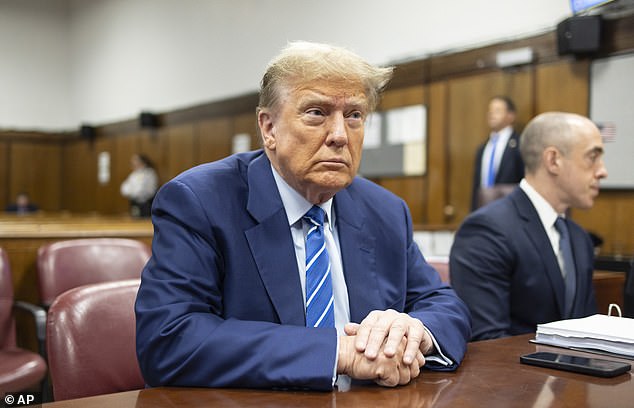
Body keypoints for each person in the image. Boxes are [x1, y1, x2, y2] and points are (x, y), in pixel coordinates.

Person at [135, 41, 471, 391]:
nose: (340, 135)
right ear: (269, 129)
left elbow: (443, 304)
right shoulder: (200, 202)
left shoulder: (384, 209)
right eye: (316, 113)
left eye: (354, 115)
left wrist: (414, 333)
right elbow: (169, 339)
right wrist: (337, 351)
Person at [450, 112, 608, 341]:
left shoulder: (579, 238)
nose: (603, 171)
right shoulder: (486, 232)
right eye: (592, 157)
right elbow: (489, 342)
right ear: (553, 160)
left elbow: (587, 330)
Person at [470, 96, 524, 210]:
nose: (491, 114)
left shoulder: (520, 144)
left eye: (497, 111)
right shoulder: (483, 148)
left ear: (511, 116)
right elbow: (476, 186)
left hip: (510, 210)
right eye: (490, 111)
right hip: (483, 210)